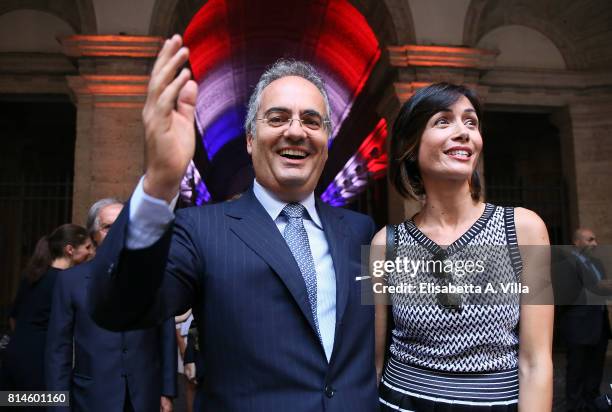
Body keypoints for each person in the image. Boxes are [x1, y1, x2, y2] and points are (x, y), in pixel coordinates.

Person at [88, 34, 378, 411]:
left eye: (311, 120)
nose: (295, 130)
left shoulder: (361, 232)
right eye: (277, 118)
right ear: (249, 140)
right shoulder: (200, 231)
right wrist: (160, 180)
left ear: (325, 142)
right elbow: (118, 305)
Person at [372, 83, 554, 411]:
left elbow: (536, 363)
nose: (463, 132)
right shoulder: (387, 244)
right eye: (443, 121)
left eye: (471, 123)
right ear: (411, 146)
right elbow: (375, 361)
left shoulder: (522, 230)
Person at [45, 198, 177, 412]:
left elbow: (165, 332)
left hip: (145, 395)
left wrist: (167, 391)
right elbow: (58, 349)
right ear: (93, 236)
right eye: (108, 228)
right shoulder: (70, 282)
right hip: (92, 396)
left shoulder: (153, 277)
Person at [1, 224, 91, 394]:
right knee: (46, 404)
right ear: (70, 249)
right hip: (40, 361)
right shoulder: (65, 281)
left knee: (13, 403)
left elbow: (14, 317)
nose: (91, 252)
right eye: (87, 247)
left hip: (14, 354)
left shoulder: (33, 275)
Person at [559, 228, 611, 411]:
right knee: (577, 370)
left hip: (600, 325)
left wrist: (604, 287)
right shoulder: (566, 263)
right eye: (590, 240)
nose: (595, 244)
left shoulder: (596, 263)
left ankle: (593, 404)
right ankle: (575, 407)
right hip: (578, 327)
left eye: (595, 240)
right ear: (577, 242)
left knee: (595, 370)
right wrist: (596, 286)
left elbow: (603, 290)